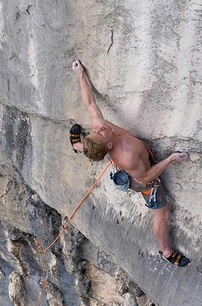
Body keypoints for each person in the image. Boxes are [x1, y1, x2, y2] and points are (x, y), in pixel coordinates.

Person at [71, 59, 191, 267]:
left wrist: (80, 75)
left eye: (96, 130)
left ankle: (77, 147)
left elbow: (90, 103)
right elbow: (145, 177)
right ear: (109, 144)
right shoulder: (125, 156)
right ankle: (167, 252)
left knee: (90, 142)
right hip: (143, 179)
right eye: (99, 132)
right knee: (162, 213)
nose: (100, 126)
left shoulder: (102, 129)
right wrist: (170, 159)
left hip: (133, 161)